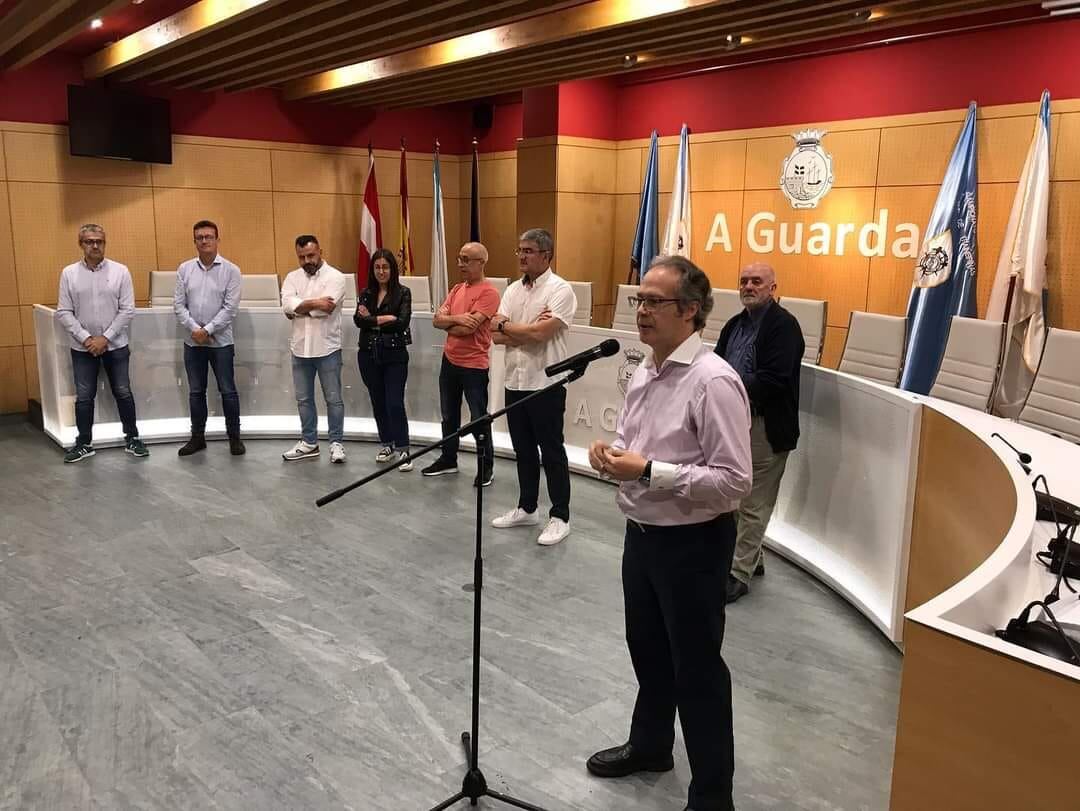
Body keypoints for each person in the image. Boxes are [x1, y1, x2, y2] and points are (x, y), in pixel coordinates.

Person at [585, 255, 752, 811]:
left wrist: (650, 472)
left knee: (697, 669)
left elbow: (734, 482)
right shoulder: (646, 369)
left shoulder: (715, 381)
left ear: (690, 311)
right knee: (649, 652)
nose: (641, 311)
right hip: (644, 533)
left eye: (653, 301)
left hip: (695, 544)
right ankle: (653, 745)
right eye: (639, 300)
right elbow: (640, 442)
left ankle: (712, 796)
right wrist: (612, 454)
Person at [714, 262, 804, 603]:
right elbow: (717, 366)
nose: (748, 286)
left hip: (765, 427)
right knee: (734, 497)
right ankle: (754, 557)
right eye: (743, 281)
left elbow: (774, 379)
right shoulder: (734, 325)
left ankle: (737, 574)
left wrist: (728, 385)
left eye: (756, 282)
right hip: (734, 423)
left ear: (772, 287)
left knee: (752, 502)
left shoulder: (785, 327)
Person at [489, 228, 577, 546]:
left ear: (546, 255)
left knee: (551, 451)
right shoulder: (513, 290)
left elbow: (542, 334)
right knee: (523, 449)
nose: (522, 256)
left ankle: (560, 516)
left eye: (528, 250)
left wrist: (509, 326)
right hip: (516, 380)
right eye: (520, 250)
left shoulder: (560, 290)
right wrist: (521, 328)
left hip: (546, 382)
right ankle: (528, 508)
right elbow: (494, 333)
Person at [55, 224, 149, 462]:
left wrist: (104, 338)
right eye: (89, 241)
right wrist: (87, 339)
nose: (95, 245)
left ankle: (133, 438)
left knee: (123, 392)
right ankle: (84, 443)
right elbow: (64, 311)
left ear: (105, 243)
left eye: (99, 241)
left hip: (115, 346)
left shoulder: (120, 272)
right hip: (82, 348)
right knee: (85, 397)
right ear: (81, 244)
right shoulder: (69, 273)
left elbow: (127, 310)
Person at [422, 241, 501, 487]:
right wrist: (455, 318)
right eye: (459, 258)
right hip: (450, 361)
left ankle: (486, 466)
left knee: (479, 417)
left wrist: (450, 323)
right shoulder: (457, 289)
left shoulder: (489, 293)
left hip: (474, 366)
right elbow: (437, 320)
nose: (460, 264)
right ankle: (448, 458)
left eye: (466, 260)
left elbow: (470, 328)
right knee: (448, 414)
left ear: (481, 262)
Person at [173, 220, 244, 456]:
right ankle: (197, 438)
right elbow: (178, 305)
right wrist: (196, 329)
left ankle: (234, 438)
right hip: (193, 342)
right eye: (200, 237)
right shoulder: (184, 269)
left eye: (209, 237)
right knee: (196, 391)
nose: (204, 241)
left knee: (228, 390)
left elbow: (230, 308)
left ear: (217, 240)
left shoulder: (231, 270)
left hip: (221, 342)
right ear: (194, 241)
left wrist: (208, 330)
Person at [280, 234, 348, 463]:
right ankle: (309, 442)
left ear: (321, 252)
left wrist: (300, 306)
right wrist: (312, 304)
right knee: (304, 399)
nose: (307, 260)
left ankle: (336, 443)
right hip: (300, 349)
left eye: (311, 255)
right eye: (302, 257)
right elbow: (287, 306)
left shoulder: (336, 277)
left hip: (327, 348)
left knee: (333, 398)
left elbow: (325, 309)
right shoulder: (291, 277)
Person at [354, 248, 413, 471]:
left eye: (385, 267)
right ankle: (387, 444)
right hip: (368, 354)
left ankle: (404, 449)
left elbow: (402, 323)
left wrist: (371, 318)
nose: (381, 271)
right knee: (378, 401)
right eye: (377, 267)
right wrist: (385, 318)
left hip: (394, 355)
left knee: (394, 402)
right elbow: (358, 321)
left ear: (392, 269)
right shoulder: (367, 293)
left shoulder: (403, 292)